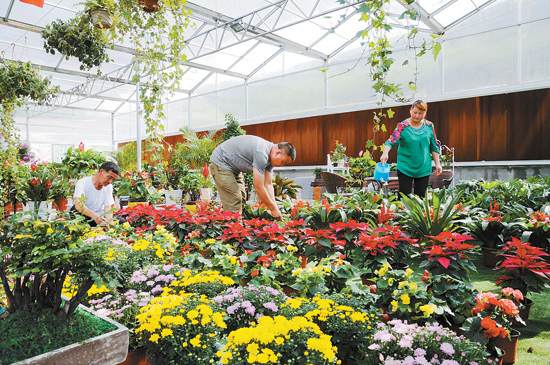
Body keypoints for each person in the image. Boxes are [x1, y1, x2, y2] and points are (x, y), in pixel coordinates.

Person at [209, 135, 296, 220]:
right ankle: (232, 230)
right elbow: (259, 187)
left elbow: (268, 185)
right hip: (221, 162)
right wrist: (273, 209)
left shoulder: (270, 159)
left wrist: (275, 208)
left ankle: (237, 227)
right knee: (234, 199)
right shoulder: (262, 154)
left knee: (242, 197)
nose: (281, 166)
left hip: (233, 168)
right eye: (283, 162)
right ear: (278, 153)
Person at [380, 100, 442, 199]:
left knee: (420, 200)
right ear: (410, 111)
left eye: (420, 113)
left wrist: (438, 163)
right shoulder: (402, 126)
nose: (417, 115)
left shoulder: (429, 126)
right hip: (405, 168)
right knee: (404, 199)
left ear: (425, 113)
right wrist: (385, 153)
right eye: (415, 112)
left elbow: (434, 146)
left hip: (423, 168)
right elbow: (391, 141)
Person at [70, 161, 124, 226]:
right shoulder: (83, 183)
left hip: (99, 216)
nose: (110, 181)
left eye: (113, 179)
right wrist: (95, 216)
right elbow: (78, 205)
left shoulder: (108, 187)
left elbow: (108, 208)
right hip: (86, 215)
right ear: (101, 171)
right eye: (109, 177)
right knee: (74, 210)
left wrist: (110, 224)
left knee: (121, 221)